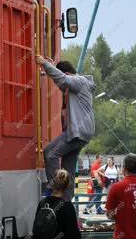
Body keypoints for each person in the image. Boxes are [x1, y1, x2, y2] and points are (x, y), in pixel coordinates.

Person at [36, 56, 96, 201]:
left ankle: (55, 190)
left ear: (68, 73)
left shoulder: (79, 81)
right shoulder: (77, 85)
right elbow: (61, 82)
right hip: (82, 133)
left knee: (50, 153)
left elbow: (62, 79)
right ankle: (66, 203)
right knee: (68, 169)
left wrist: (44, 63)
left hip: (77, 132)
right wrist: (50, 67)